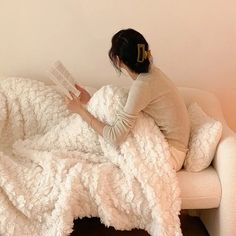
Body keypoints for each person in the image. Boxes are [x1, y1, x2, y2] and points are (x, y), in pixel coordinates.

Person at [65, 28, 190, 171]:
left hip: (170, 156)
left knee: (111, 128)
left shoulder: (143, 86)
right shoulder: (152, 74)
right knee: (117, 105)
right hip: (176, 148)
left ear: (118, 61)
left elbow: (114, 137)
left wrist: (80, 111)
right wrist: (90, 101)